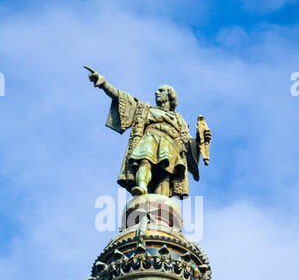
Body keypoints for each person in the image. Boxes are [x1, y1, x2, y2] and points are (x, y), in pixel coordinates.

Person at [85, 66, 212, 198]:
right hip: (151, 138)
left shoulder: (180, 120)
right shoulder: (145, 109)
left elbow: (188, 146)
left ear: (169, 95)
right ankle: (142, 186)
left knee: (165, 175)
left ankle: (161, 204)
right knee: (145, 160)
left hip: (172, 145)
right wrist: (104, 84)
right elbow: (121, 97)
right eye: (157, 90)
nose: (156, 92)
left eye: (161, 91)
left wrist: (200, 139)